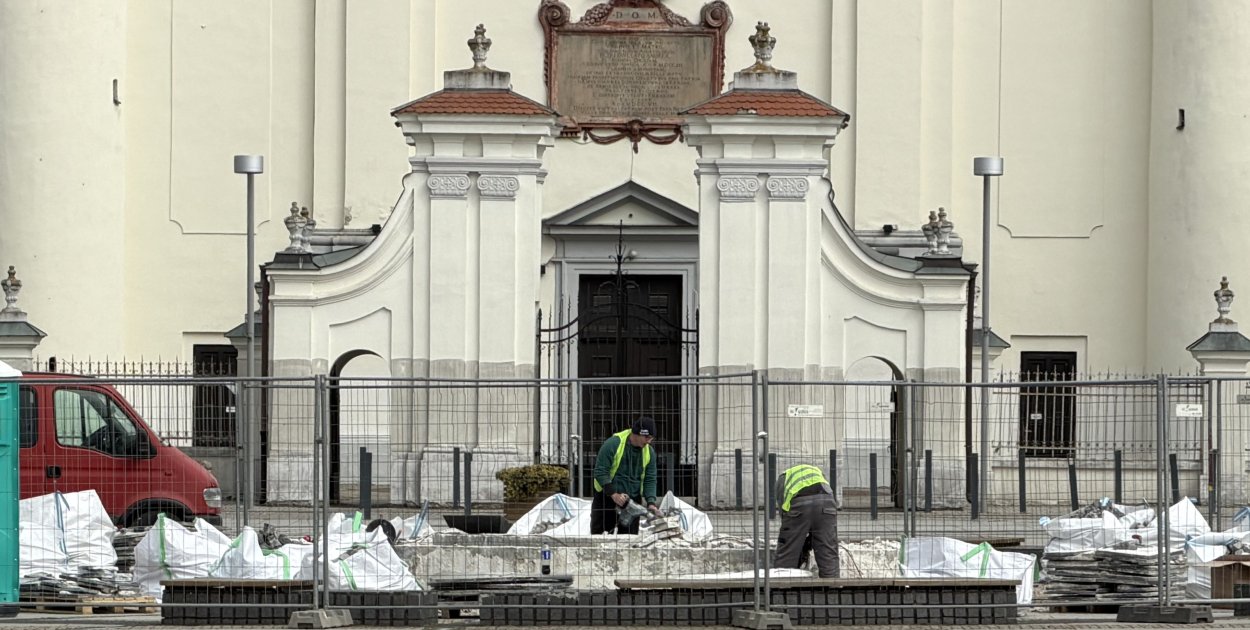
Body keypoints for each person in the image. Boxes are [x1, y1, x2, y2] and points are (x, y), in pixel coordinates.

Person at [590, 416, 660, 534]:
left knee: (629, 542)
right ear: (636, 434)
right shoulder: (613, 444)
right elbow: (601, 471)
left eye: (651, 438)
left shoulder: (649, 452)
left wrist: (651, 503)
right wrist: (613, 494)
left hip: (632, 502)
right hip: (606, 498)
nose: (649, 441)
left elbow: (650, 479)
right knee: (601, 538)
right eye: (646, 437)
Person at [773, 463, 839, 577]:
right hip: (827, 504)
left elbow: (784, 512)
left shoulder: (782, 479)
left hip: (799, 504)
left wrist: (793, 538)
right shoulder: (817, 472)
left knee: (787, 552)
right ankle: (832, 589)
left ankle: (781, 588)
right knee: (828, 552)